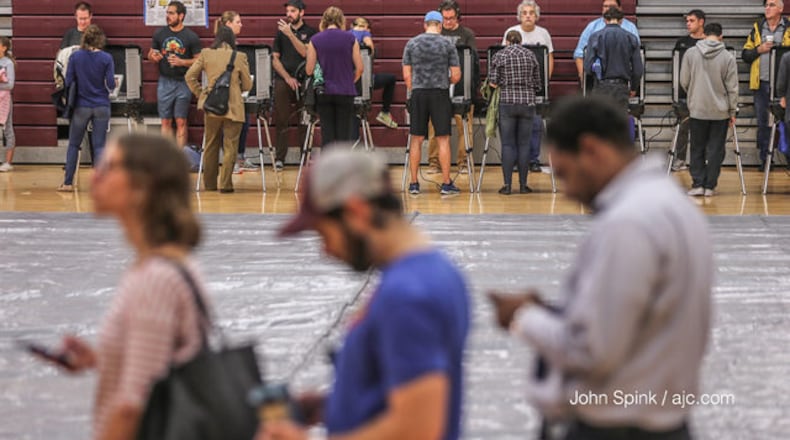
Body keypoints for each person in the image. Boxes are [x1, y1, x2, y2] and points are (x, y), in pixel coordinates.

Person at [489, 96, 712, 440]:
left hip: (617, 425)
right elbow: (640, 318)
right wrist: (554, 312)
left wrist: (524, 318)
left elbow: (593, 351)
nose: (566, 191)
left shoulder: (629, 223)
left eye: (564, 173)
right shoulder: (669, 202)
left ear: (591, 150)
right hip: (663, 418)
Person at [258, 148, 470, 440]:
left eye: (323, 233)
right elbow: (400, 388)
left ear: (356, 212)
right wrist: (334, 406)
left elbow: (417, 430)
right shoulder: (432, 270)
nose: (326, 250)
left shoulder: (408, 297)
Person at [34, 133, 207, 440]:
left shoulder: (154, 279)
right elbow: (159, 365)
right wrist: (107, 358)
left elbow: (134, 405)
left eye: (108, 166)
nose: (95, 175)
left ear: (141, 188)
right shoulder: (162, 265)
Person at [186, 26, 252, 193]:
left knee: (210, 144)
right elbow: (248, 85)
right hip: (234, 107)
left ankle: (209, 184)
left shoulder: (206, 53)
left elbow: (189, 76)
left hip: (212, 105)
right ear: (231, 40)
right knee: (230, 145)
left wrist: (201, 93)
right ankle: (226, 185)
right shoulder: (239, 56)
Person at [403, 11, 461, 195]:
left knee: (417, 139)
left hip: (419, 93)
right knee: (443, 138)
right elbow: (457, 75)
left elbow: (406, 76)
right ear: (441, 25)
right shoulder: (447, 44)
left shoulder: (411, 43)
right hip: (440, 94)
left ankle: (413, 184)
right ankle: (445, 183)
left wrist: (416, 87)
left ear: (424, 24)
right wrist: (445, 81)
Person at [681, 23, 738, 197]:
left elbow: (684, 80)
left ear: (704, 35)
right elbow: (733, 88)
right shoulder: (728, 57)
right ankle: (709, 186)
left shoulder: (691, 53)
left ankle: (697, 183)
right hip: (720, 111)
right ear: (721, 36)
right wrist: (732, 111)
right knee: (716, 149)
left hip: (697, 108)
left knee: (697, 148)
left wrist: (693, 96)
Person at [58, 24, 115, 192]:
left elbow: (68, 81)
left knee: (74, 145)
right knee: (99, 147)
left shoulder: (76, 57)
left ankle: (68, 183)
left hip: (81, 106)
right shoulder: (107, 58)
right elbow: (110, 84)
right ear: (100, 40)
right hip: (101, 106)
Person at [426, 0, 477, 175]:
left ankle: (463, 163)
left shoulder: (467, 34)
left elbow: (472, 62)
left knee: (465, 128)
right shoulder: (433, 34)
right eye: (444, 19)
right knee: (434, 128)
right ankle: (434, 163)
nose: (447, 22)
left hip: (462, 87)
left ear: (458, 17)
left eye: (451, 18)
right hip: (437, 87)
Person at [501, 0, 554, 172]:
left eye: (531, 12)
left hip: (535, 88)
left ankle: (533, 159)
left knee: (536, 124)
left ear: (537, 16)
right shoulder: (511, 32)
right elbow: (503, 58)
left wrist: (545, 81)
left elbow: (549, 59)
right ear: (519, 16)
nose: (528, 16)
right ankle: (515, 160)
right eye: (524, 13)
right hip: (513, 91)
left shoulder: (543, 33)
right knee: (513, 127)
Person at [488, 30, 541, 195]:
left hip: (507, 103)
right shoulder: (530, 55)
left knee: (508, 144)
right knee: (524, 144)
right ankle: (524, 186)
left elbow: (493, 82)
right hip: (527, 102)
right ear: (520, 40)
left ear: (507, 41)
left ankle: (507, 186)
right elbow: (538, 83)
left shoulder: (500, 56)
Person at [742, 0, 790, 171]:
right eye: (766, 5)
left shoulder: (788, 27)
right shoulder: (757, 28)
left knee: (787, 122)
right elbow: (745, 55)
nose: (767, 8)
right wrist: (759, 50)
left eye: (771, 5)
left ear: (780, 8)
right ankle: (766, 161)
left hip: (784, 87)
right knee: (763, 124)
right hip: (762, 83)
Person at [306, 7, 363, 147]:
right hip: (345, 91)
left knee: (327, 136)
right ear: (341, 20)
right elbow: (360, 68)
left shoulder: (315, 39)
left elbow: (309, 70)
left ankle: (327, 168)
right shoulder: (351, 38)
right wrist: (350, 81)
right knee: (344, 136)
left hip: (324, 92)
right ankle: (343, 168)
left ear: (324, 21)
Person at [147, 1, 202, 147]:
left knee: (181, 120)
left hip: (183, 82)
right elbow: (150, 54)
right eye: (167, 13)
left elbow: (199, 61)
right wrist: (154, 57)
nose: (168, 16)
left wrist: (182, 62)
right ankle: (165, 159)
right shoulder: (160, 34)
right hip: (165, 81)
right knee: (165, 120)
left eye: (171, 13)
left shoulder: (191, 37)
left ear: (181, 16)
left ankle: (181, 158)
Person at [272, 0, 317, 171]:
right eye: (287, 11)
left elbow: (306, 53)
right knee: (281, 119)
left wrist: (291, 34)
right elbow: (274, 58)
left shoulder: (311, 32)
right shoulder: (280, 33)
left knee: (305, 119)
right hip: (283, 80)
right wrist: (287, 77)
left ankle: (305, 156)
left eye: (292, 11)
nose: (288, 14)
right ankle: (279, 158)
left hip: (305, 80)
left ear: (301, 13)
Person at [214, 10, 258, 175]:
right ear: (228, 25)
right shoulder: (219, 47)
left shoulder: (235, 44)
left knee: (245, 123)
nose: (241, 25)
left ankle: (239, 156)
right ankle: (230, 161)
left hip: (238, 93)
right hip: (224, 94)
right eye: (238, 22)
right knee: (229, 127)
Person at [584, 7, 643, 111]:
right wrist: (633, 88)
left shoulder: (595, 37)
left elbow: (588, 67)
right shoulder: (631, 38)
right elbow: (637, 70)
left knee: (601, 123)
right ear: (621, 20)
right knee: (619, 123)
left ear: (605, 20)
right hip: (622, 87)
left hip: (601, 87)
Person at [671, 9, 706, 172]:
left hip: (704, 93)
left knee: (703, 128)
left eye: (692, 21)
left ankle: (702, 159)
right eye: (687, 21)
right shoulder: (681, 43)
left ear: (701, 22)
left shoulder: (709, 42)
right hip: (684, 93)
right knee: (683, 127)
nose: (688, 24)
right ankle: (679, 159)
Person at [350, 17, 399, 129]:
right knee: (391, 78)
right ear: (366, 27)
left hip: (348, 82)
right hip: (365, 80)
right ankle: (385, 112)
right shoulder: (365, 33)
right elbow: (369, 47)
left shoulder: (346, 34)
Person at [574, 0, 639, 83]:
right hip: (597, 81)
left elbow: (636, 56)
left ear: (620, 8)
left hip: (623, 81)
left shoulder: (630, 28)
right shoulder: (592, 27)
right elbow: (579, 54)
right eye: (605, 6)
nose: (608, 9)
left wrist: (633, 85)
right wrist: (585, 81)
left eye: (611, 6)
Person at [0, 36, 16, 172]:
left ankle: (8, 162)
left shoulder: (8, 64)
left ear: (4, 48)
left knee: (7, 129)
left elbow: (10, 84)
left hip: (4, 99)